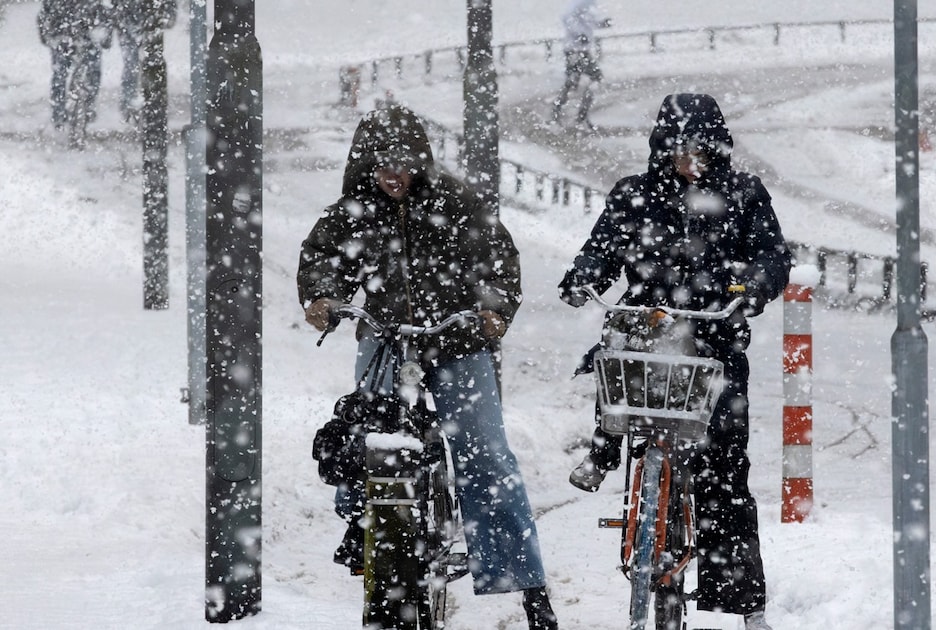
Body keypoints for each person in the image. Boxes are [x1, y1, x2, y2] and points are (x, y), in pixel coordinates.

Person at [297, 105, 558, 630]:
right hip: (386, 340)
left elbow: (497, 259)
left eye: (403, 164)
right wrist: (323, 299)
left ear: (421, 162)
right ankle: (368, 543)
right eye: (382, 165)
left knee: (484, 454)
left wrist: (492, 311)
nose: (394, 176)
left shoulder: (456, 203)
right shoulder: (350, 213)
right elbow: (322, 260)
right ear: (365, 165)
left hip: (456, 341)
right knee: (366, 441)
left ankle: (527, 586)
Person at [558, 93, 793, 630]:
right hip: (649, 330)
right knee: (614, 355)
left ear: (718, 151)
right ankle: (603, 451)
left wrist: (754, 287)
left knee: (726, 471)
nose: (690, 162)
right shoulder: (633, 196)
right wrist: (584, 278)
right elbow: (601, 249)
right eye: (680, 151)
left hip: (715, 342)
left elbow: (771, 255)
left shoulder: (743, 195)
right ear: (662, 150)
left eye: (701, 152)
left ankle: (743, 601)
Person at [38, 0, 110, 129]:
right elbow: (45, 14)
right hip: (64, 34)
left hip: (83, 34)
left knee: (90, 71)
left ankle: (83, 106)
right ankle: (60, 113)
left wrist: (103, 35)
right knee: (61, 74)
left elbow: (105, 13)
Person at [109, 0, 177, 123]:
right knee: (135, 64)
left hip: (143, 21)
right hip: (137, 21)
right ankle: (140, 104)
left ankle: (141, 104)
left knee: (137, 64)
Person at [551, 0, 609, 130]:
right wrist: (579, 34)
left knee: (572, 82)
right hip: (575, 50)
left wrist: (601, 24)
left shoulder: (588, 3)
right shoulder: (581, 2)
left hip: (579, 50)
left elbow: (587, 21)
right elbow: (567, 17)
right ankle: (578, 118)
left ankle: (558, 114)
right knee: (595, 78)